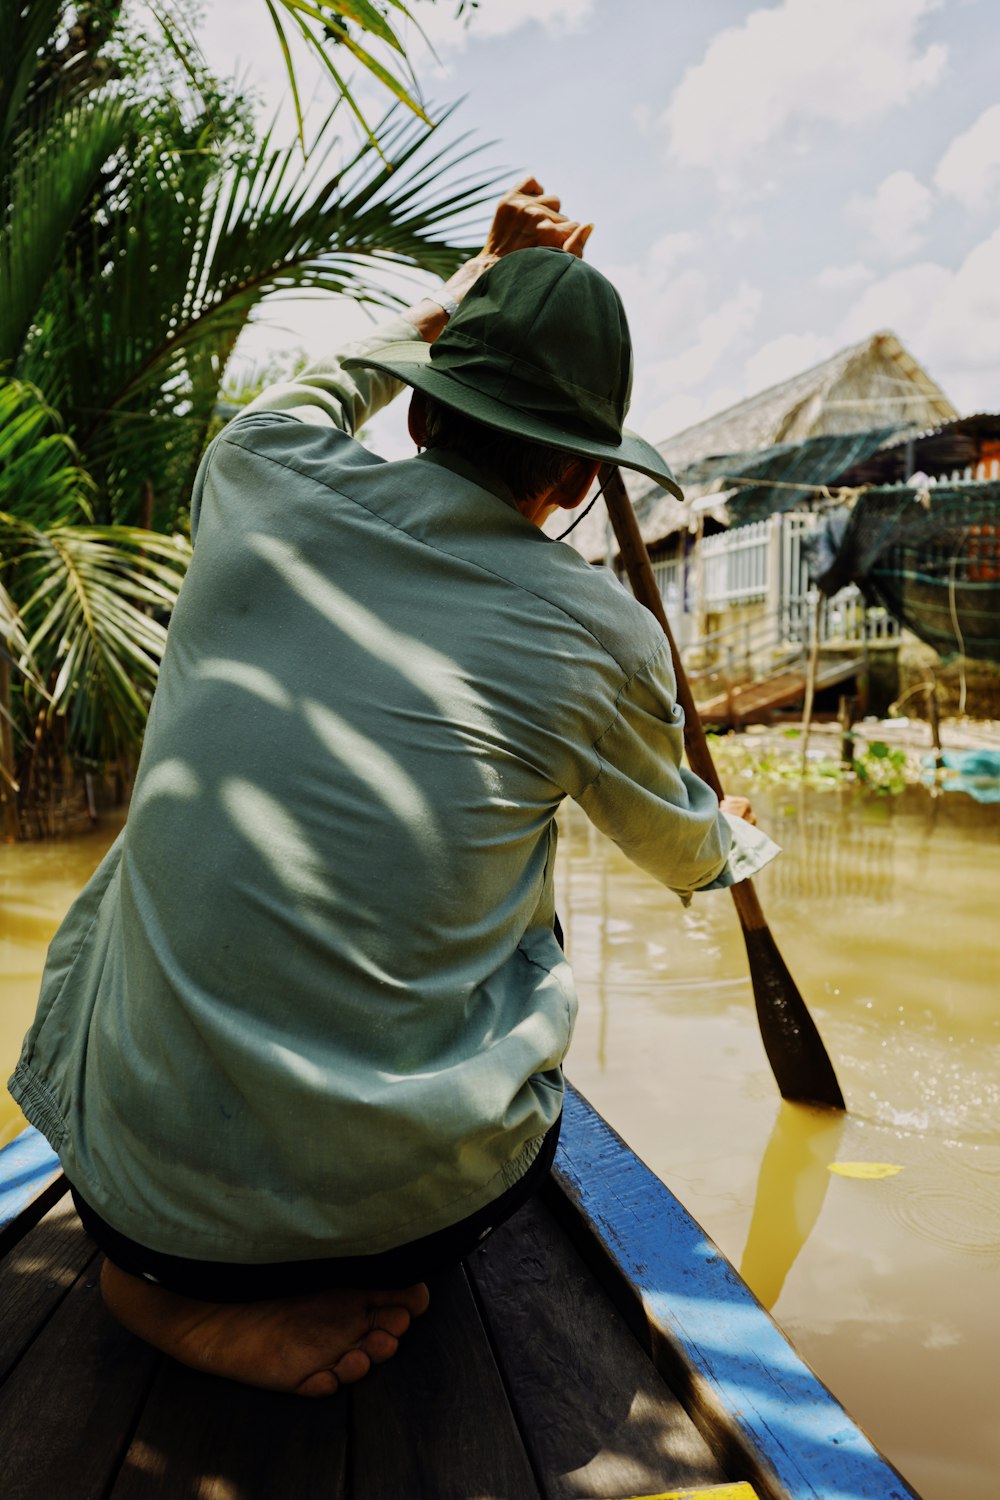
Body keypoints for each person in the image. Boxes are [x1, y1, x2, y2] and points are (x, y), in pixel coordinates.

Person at [9, 178, 776, 1398]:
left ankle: (158, 1270)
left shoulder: (255, 471)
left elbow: (329, 383)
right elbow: (684, 853)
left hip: (127, 1186)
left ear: (419, 415)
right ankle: (269, 1239)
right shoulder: (601, 632)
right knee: (526, 889)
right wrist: (729, 836)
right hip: (400, 1223)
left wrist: (467, 283)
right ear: (580, 483)